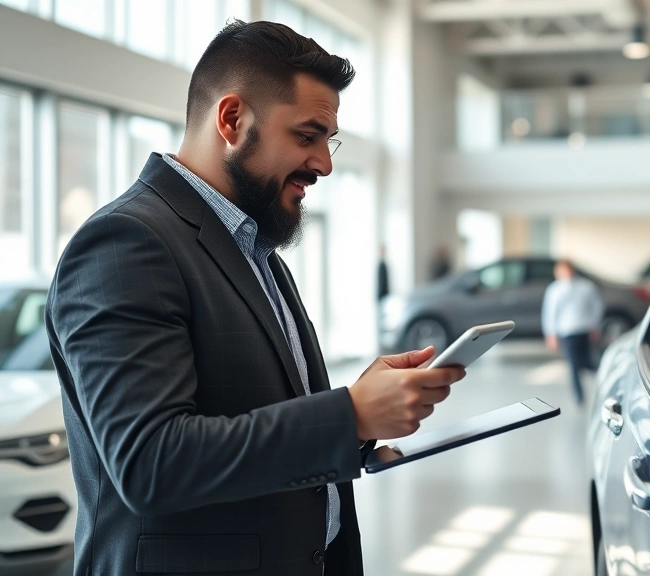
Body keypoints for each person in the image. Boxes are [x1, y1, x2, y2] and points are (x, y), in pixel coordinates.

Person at [44, 21, 465, 576]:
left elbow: (251, 413)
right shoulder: (125, 244)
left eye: (328, 141)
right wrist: (348, 416)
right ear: (232, 119)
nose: (325, 164)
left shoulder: (256, 249)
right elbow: (150, 462)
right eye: (307, 136)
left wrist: (362, 412)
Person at [542, 260, 604, 405]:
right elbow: (550, 313)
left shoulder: (586, 287)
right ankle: (579, 395)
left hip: (584, 329)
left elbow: (596, 307)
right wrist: (551, 333)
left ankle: (601, 384)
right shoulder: (554, 289)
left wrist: (595, 325)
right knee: (573, 364)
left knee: (587, 362)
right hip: (567, 331)